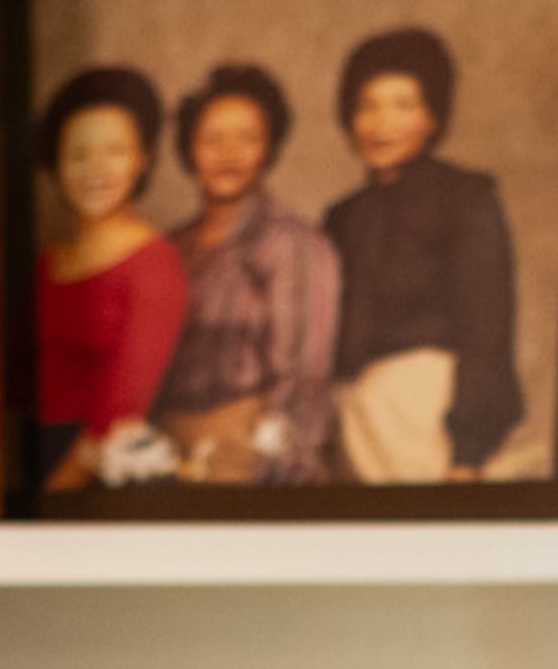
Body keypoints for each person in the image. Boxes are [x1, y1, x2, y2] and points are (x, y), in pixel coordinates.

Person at [321, 28, 523, 485]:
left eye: (402, 105)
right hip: (353, 423)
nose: (381, 123)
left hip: (429, 418)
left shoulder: (466, 197)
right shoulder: (341, 217)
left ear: (431, 117)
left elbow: (487, 329)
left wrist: (467, 453)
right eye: (367, 106)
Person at [152, 63, 342, 485]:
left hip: (249, 451)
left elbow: (304, 379)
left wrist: (279, 480)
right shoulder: (167, 249)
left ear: (269, 147)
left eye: (247, 138)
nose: (229, 153)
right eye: (212, 139)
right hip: (168, 456)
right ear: (189, 149)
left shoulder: (292, 244)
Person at [27, 66, 187, 493]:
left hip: (99, 471)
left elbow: (124, 401)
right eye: (78, 155)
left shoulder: (155, 262)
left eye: (114, 151)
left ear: (142, 158)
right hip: (28, 454)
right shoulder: (43, 265)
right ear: (56, 166)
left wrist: (61, 485)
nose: (95, 169)